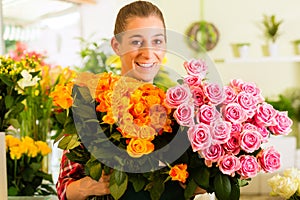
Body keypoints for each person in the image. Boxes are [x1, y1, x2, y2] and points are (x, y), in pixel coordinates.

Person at [56, 1, 204, 199]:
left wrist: (202, 181)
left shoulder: (180, 112)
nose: (148, 52)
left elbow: (200, 183)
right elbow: (64, 189)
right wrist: (89, 186)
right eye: (136, 42)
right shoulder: (89, 107)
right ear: (117, 46)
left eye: (157, 42)